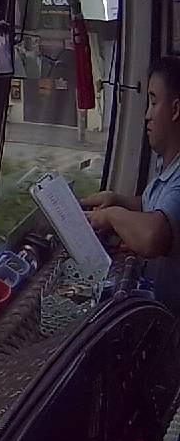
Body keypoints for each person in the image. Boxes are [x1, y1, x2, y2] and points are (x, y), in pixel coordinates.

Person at [82, 56, 180, 313]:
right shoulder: (167, 168)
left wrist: (112, 216)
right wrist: (119, 200)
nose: (147, 115)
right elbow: (154, 206)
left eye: (154, 102)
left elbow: (153, 236)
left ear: (175, 110)